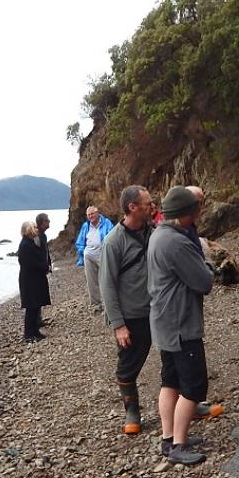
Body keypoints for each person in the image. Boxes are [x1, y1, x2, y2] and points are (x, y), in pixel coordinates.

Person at [147, 187, 214, 467]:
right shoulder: (177, 242)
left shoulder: (158, 234)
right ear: (187, 213)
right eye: (196, 209)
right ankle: (178, 444)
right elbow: (204, 282)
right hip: (180, 323)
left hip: (162, 320)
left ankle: (168, 437)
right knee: (194, 385)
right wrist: (208, 260)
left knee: (170, 380)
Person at [98, 186, 155, 435]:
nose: (152, 207)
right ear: (133, 207)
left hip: (160, 309)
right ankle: (132, 411)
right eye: (147, 203)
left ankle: (189, 401)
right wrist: (118, 324)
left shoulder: (154, 233)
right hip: (132, 317)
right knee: (127, 366)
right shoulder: (113, 242)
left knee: (176, 357)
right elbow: (106, 286)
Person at [74, 205, 114, 311]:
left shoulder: (106, 223)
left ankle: (109, 304)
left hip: (103, 254)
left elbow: (112, 237)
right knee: (91, 280)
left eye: (92, 214)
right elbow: (80, 241)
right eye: (88, 215)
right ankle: (96, 304)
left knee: (107, 279)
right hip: (88, 255)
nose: (90, 216)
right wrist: (83, 252)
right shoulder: (86, 226)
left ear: (97, 213)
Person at [18, 221, 50, 342]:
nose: (37, 230)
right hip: (29, 280)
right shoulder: (25, 245)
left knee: (37, 305)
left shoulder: (32, 242)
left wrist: (45, 265)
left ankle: (35, 331)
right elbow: (29, 263)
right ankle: (28, 334)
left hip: (36, 278)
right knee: (31, 307)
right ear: (29, 230)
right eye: (35, 228)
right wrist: (44, 266)